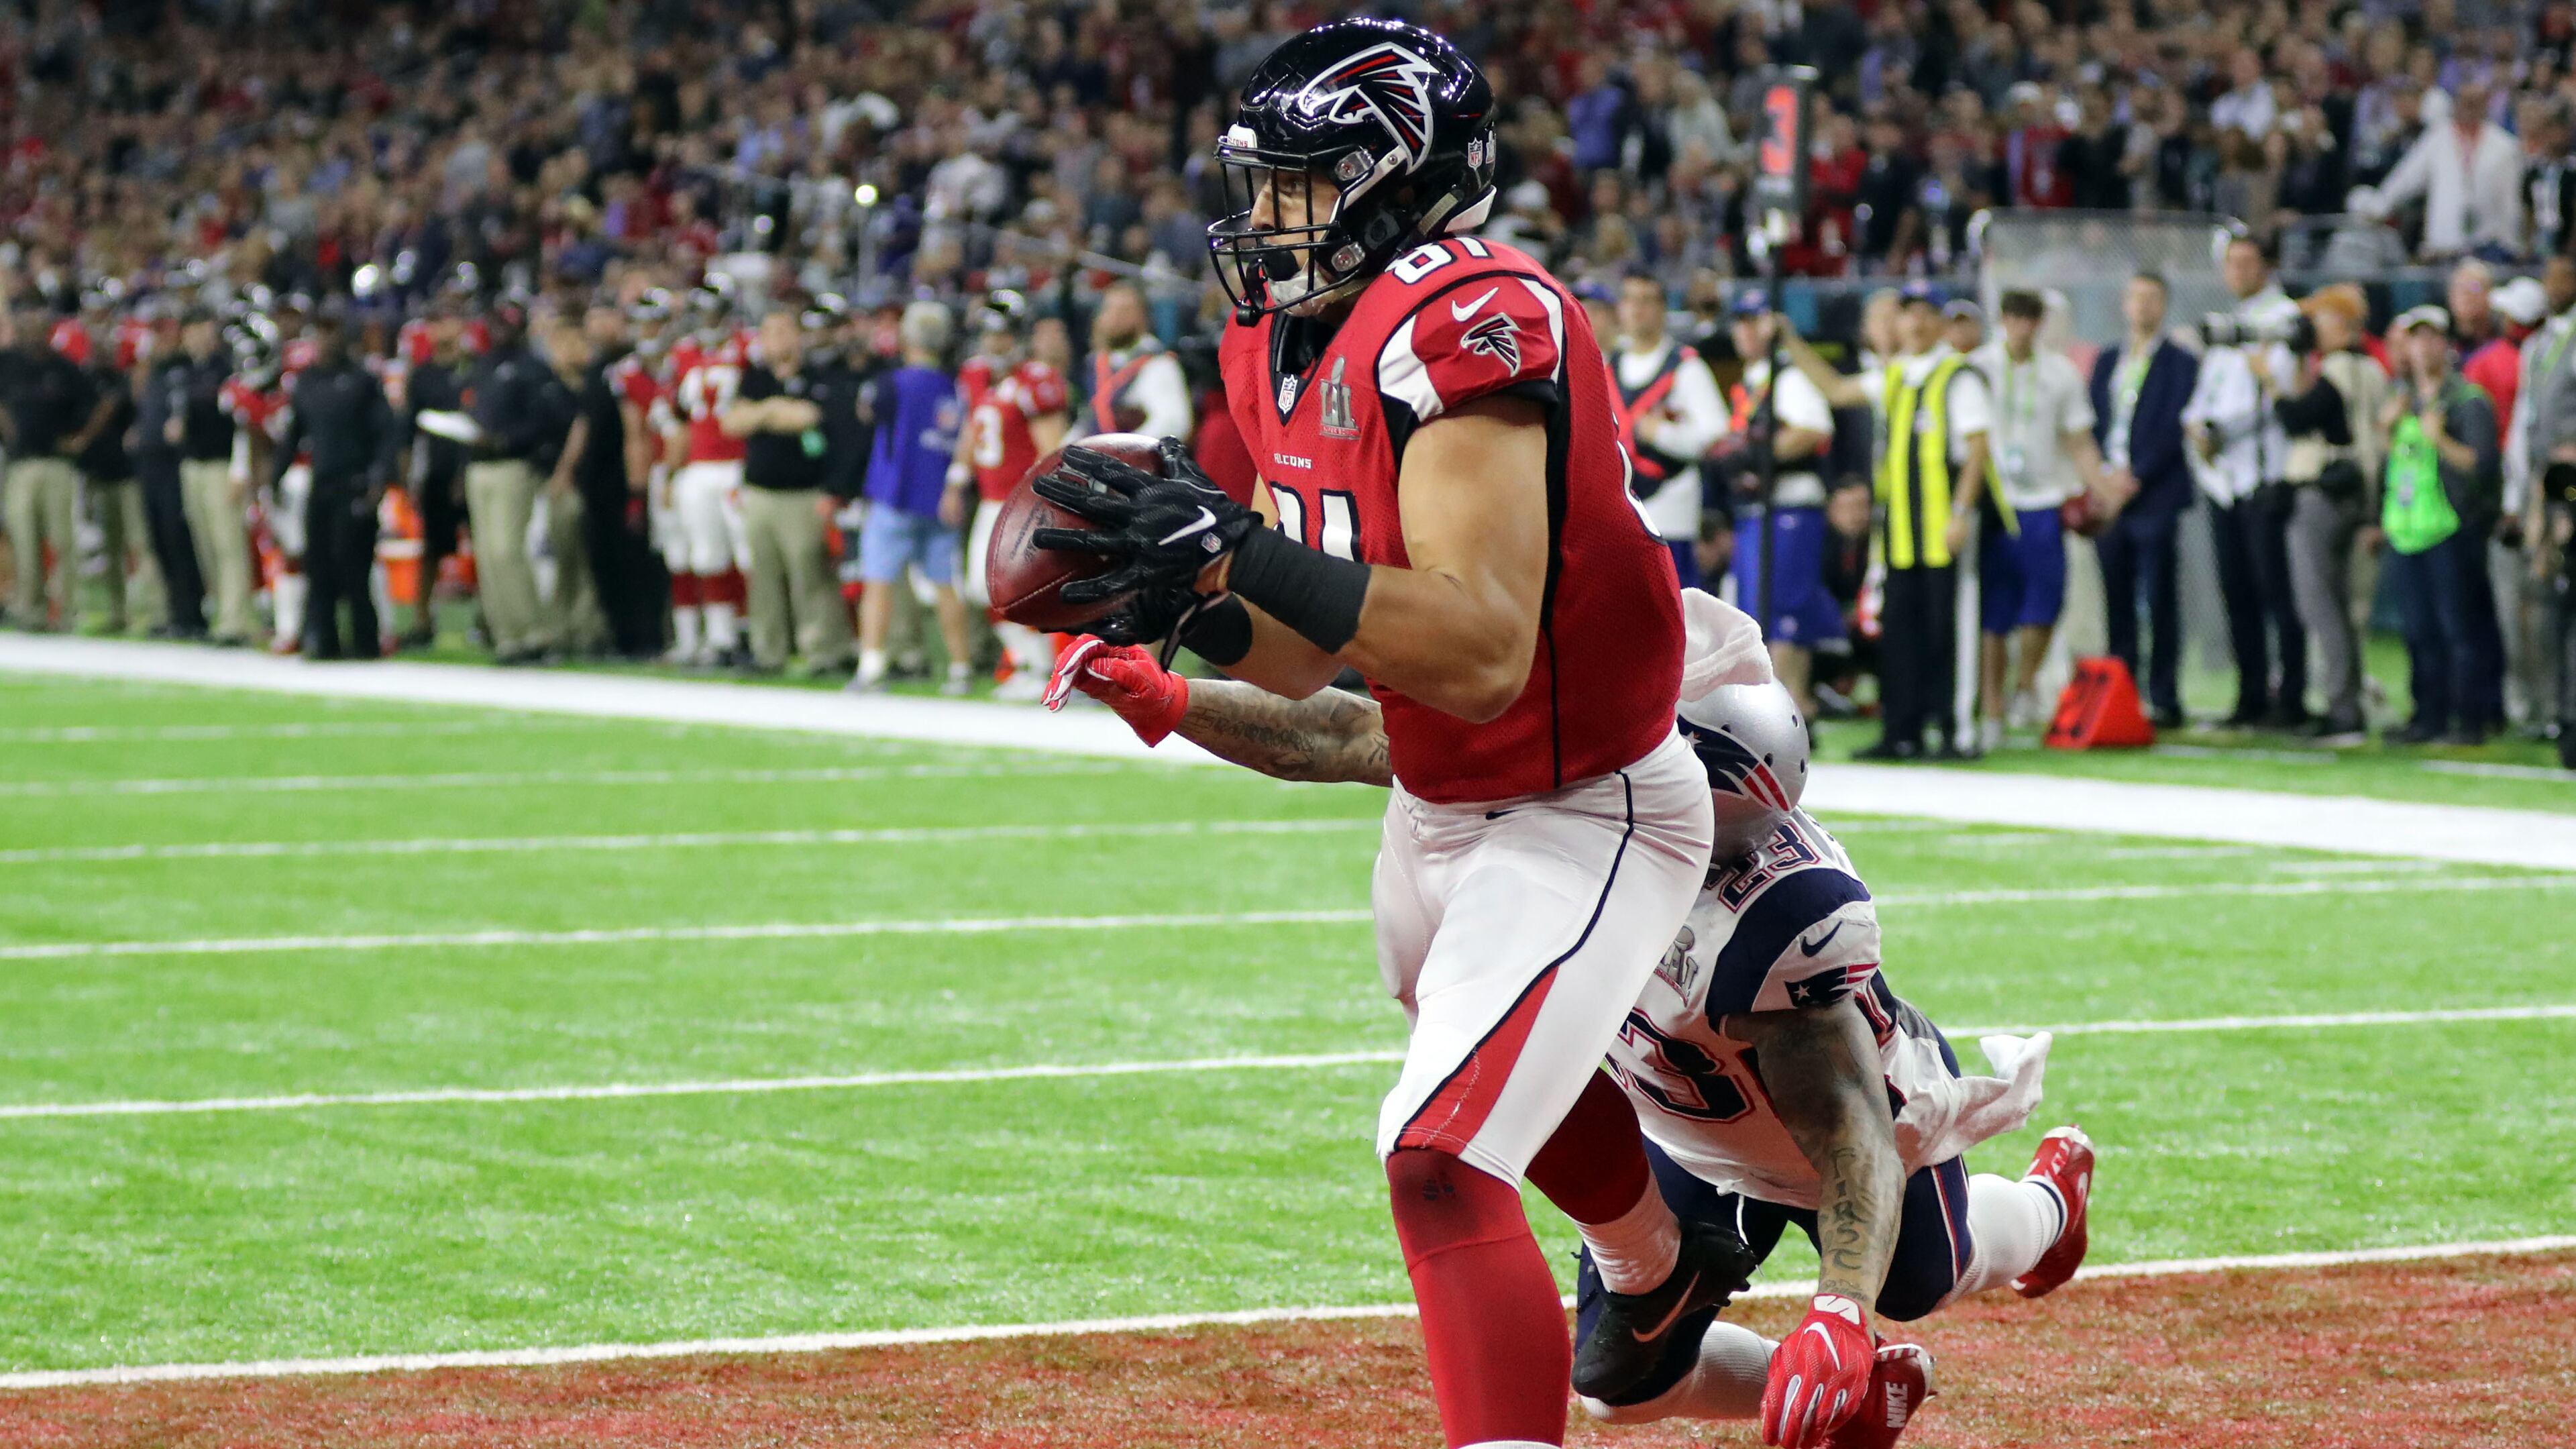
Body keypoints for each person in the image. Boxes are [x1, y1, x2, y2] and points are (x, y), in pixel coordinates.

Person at [1036, 23, 1728, 1445]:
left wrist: (1238, 547)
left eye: (1296, 183)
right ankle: (1660, 1268)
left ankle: (1658, 1280)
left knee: (1440, 1158)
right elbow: (1305, 653)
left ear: (1398, 185)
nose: (1264, 215)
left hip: (1580, 797)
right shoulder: (1273, 336)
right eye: (1259, 181)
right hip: (1437, 803)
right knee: (1489, 1096)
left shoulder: (1472, 316)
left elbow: (1479, 652)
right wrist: (1188, 603)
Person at [1045, 609, 2096, 1449]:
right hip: (1681, 1123)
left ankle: (2051, 1205)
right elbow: (1350, 734)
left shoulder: (1773, 922)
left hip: (1856, 1131)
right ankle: (1851, 1396)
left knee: (1924, 1279)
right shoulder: (1570, 778)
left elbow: (1849, 1130)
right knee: (1620, 1390)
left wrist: (1839, 1313)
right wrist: (1170, 698)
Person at [1781, 280, 1992, 760]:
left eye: (1925, 313)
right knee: (1899, 634)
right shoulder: (1895, 375)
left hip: (1941, 528)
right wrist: (1792, 342)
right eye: (1908, 313)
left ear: (1940, 323)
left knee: (1947, 632)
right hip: (1898, 533)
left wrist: (1961, 513)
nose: (1916, 322)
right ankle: (1901, 730)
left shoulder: (1957, 376)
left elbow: (1977, 452)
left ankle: (1955, 731)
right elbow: (1836, 390)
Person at [1970, 290, 2104, 750]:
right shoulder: (1980, 367)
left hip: (2044, 499)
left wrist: (2101, 488)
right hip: (1996, 501)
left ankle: (2025, 683)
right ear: (2003, 319)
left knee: (2045, 600)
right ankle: (1992, 707)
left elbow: (2079, 439)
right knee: (1994, 612)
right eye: (2015, 317)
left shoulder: (2060, 373)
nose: (2022, 327)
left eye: (2030, 319)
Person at [2185, 235, 2306, 729]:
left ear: (2266, 266)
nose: (2237, 272)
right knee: (2237, 593)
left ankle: (2292, 696)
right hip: (2223, 478)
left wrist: (2219, 431)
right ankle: (2250, 695)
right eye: (2231, 263)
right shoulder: (2228, 324)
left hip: (2264, 474)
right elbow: (2204, 395)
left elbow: (2279, 394)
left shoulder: (2282, 319)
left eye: (2247, 262)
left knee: (2276, 591)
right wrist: (2197, 428)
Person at [2375, 306, 2504, 745]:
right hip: (2408, 529)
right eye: (2416, 339)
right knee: (2418, 631)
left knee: (2459, 630)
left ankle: (2469, 719)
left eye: (2432, 338)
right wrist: (2386, 430)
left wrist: (2441, 439)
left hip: (2450, 529)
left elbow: (2483, 466)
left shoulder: (2467, 400)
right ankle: (2427, 716)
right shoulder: (2403, 400)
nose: (2424, 348)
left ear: (2446, 345)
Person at [2269, 284, 2390, 745]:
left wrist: (2270, 383)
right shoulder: (2372, 368)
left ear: (2342, 324)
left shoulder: (2339, 369)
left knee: (2320, 603)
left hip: (2325, 490)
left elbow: (2298, 417)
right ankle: (2349, 701)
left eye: (2319, 320)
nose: (2312, 330)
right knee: (2340, 603)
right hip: (2357, 490)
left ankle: (2343, 708)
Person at [1717, 292, 1839, 718]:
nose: (1746, 331)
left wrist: (1761, 454)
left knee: (1785, 611)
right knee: (1761, 611)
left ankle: (1790, 706)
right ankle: (1783, 707)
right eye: (1741, 322)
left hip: (1790, 507)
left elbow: (1813, 429)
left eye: (1755, 321)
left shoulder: (1788, 377)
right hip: (1759, 508)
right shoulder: (1752, 381)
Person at [2088, 272, 2197, 729]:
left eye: (2152, 298)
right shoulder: (2108, 359)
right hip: (2109, 498)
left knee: (2159, 597)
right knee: (2116, 598)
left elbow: (2174, 424)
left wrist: (2137, 475)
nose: (2143, 306)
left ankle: (2165, 695)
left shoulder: (2180, 362)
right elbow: (2093, 420)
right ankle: (2123, 690)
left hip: (2154, 496)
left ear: (2164, 305)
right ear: (2124, 304)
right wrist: (2102, 478)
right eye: (2136, 297)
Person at [951, 290, 1071, 699]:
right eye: (988, 333)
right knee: (978, 587)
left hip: (1021, 500)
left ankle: (1040, 667)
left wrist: (1042, 500)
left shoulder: (1034, 380)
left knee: (1015, 587)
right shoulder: (977, 374)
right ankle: (1028, 662)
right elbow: (972, 430)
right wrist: (956, 478)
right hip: (990, 499)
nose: (994, 342)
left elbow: (1050, 449)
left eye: (1001, 334)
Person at [725, 306, 855, 676]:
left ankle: (824, 651)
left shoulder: (818, 376)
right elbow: (733, 422)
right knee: (763, 577)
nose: (775, 340)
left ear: (798, 336)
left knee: (810, 575)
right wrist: (775, 409)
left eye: (783, 331)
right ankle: (768, 652)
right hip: (760, 493)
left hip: (804, 493)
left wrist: (761, 415)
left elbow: (811, 418)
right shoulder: (754, 377)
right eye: (768, 332)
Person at [852, 301, 973, 695]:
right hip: (941, 497)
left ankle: (872, 666)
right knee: (944, 584)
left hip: (894, 495)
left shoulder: (891, 383)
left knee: (879, 582)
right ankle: (960, 668)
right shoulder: (955, 387)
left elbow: (867, 413)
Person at [269, 312, 400, 659]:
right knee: (319, 565)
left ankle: (365, 642)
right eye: (321, 332)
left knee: (354, 566)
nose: (327, 340)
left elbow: (385, 434)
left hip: (356, 483)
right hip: (322, 483)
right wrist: (275, 476)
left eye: (333, 331)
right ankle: (322, 640)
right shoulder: (307, 382)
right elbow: (294, 435)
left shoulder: (363, 380)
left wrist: (380, 479)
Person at [1608, 273, 1729, 589]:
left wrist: (1662, 434)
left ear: (1663, 308)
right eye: (1630, 300)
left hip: (1671, 512)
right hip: (1617, 513)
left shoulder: (1687, 367)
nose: (1638, 309)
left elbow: (1716, 437)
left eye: (1647, 300)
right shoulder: (1606, 366)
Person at [461, 306, 563, 663]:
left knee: (507, 549)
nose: (500, 330)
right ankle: (506, 636)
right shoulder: (481, 366)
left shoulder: (532, 368)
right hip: (478, 467)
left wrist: (505, 440)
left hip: (513, 466)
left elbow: (545, 421)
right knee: (488, 556)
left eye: (506, 324)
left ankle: (534, 633)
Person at [663, 295, 755, 665]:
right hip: (698, 465)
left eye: (715, 311)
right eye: (703, 311)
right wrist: (672, 472)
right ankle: (721, 637)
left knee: (747, 555)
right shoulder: (683, 354)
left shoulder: (747, 347)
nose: (709, 318)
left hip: (737, 462)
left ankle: (752, 633)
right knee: (707, 555)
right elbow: (677, 417)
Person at [0, 305, 97, 630]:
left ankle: (66, 611)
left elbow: (93, 403)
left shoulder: (65, 368)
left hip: (58, 465)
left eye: (39, 327)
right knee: (23, 539)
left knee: (62, 539)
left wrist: (81, 438)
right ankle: (31, 610)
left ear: (49, 331)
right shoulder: (7, 363)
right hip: (20, 464)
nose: (33, 334)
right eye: (27, 327)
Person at [65, 329, 160, 633]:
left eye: (109, 347)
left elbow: (130, 412)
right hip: (97, 475)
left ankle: (152, 613)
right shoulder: (83, 381)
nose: (103, 352)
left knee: (140, 544)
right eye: (99, 346)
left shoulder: (125, 380)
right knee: (110, 549)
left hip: (128, 475)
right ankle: (117, 612)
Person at [170, 312, 254, 645]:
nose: (197, 338)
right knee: (206, 545)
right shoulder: (186, 372)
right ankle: (223, 614)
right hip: (193, 465)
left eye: (202, 330)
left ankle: (237, 621)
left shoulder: (227, 370)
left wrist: (240, 468)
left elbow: (243, 423)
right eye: (191, 332)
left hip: (221, 465)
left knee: (228, 543)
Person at [398, 305, 474, 649]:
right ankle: (422, 618)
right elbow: (408, 430)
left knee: (483, 547)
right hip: (436, 471)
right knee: (432, 547)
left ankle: (489, 618)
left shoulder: (472, 370)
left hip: (472, 466)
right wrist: (406, 475)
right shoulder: (422, 375)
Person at [535, 318, 610, 658]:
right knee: (561, 560)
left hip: (592, 483)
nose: (569, 352)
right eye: (562, 345)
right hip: (555, 484)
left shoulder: (594, 387)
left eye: (576, 344)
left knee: (587, 559)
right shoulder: (546, 389)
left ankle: (589, 629)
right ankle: (562, 628)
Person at [132, 315, 207, 639]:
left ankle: (192, 614)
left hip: (172, 464)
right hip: (148, 463)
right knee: (159, 540)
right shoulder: (154, 372)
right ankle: (171, 612)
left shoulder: (183, 370)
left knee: (179, 540)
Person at [1078, 280, 1192, 442]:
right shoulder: (1096, 364)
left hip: (1132, 455)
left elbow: (1172, 423)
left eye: (1125, 310)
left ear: (1143, 317)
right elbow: (1088, 422)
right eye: (1110, 309)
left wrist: (1124, 448)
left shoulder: (1159, 364)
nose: (1116, 318)